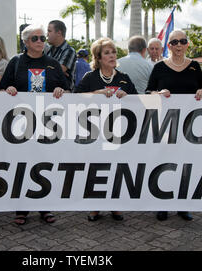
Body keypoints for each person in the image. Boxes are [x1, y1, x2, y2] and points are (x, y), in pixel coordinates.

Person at [0, 25, 69, 225]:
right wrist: (8, 89)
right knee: (21, 165)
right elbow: (1, 90)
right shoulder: (16, 62)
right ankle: (21, 209)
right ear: (26, 42)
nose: (40, 41)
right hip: (20, 124)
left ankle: (45, 207)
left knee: (44, 165)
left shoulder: (53, 63)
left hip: (47, 125)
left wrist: (61, 92)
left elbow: (68, 91)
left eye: (42, 38)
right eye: (35, 38)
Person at [146, 30, 202, 222]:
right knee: (165, 165)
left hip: (190, 127)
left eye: (182, 41)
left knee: (186, 166)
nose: (179, 45)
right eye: (174, 42)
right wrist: (158, 93)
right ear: (169, 46)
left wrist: (201, 92)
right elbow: (148, 93)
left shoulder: (195, 66)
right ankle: (163, 204)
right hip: (165, 125)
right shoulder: (159, 67)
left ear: (187, 44)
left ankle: (183, 205)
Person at [75, 37, 137, 222]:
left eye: (113, 52)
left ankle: (115, 206)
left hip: (118, 133)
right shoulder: (90, 77)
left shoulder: (124, 78)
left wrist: (127, 96)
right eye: (107, 53)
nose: (111, 56)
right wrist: (96, 94)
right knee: (95, 169)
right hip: (95, 132)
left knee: (116, 168)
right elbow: (76, 97)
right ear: (98, 58)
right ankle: (95, 207)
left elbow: (138, 101)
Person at [45, 20, 77, 90]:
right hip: (49, 94)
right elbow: (56, 72)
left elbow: (59, 71)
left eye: (49, 31)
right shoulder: (48, 51)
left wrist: (49, 69)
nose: (47, 34)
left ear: (59, 33)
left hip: (64, 96)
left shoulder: (69, 50)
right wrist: (52, 69)